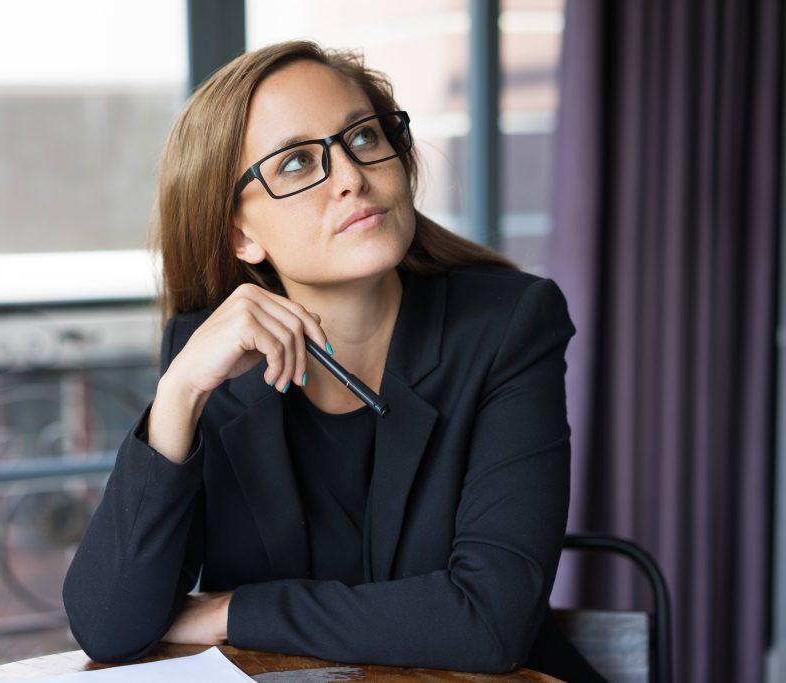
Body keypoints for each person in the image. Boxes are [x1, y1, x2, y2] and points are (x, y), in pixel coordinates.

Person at [62, 39, 606, 681]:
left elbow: (489, 621)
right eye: (295, 163)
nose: (351, 176)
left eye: (364, 137)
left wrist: (231, 612)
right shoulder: (208, 352)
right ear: (241, 235)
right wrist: (179, 394)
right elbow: (111, 626)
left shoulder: (506, 325)